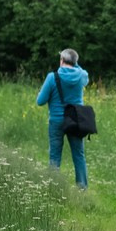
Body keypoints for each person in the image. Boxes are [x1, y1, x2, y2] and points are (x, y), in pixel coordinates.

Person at [36, 48, 90, 189]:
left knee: (54, 156)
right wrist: (75, 63)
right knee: (79, 155)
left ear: (61, 61)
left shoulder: (52, 77)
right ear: (74, 62)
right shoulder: (81, 76)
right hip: (76, 120)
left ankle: (54, 188)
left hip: (57, 121)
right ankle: (82, 189)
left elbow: (40, 101)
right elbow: (83, 72)